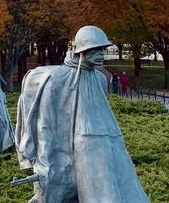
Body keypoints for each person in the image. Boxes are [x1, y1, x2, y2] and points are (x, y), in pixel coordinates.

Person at [15, 25, 148, 202]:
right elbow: (44, 123)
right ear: (82, 51)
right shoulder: (57, 79)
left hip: (108, 142)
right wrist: (44, 159)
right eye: (95, 49)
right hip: (80, 145)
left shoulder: (100, 78)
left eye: (103, 49)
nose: (101, 54)